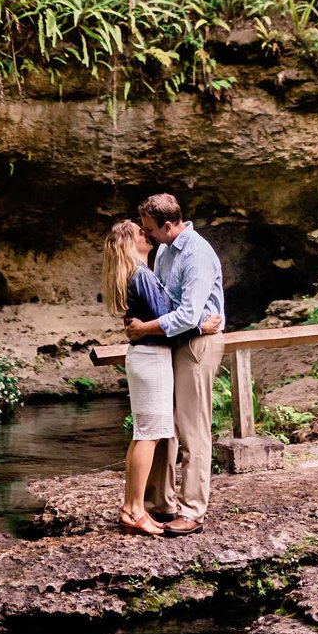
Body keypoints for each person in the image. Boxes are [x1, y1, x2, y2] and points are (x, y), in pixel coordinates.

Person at [126, 192, 227, 533]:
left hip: (198, 345)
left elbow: (187, 313)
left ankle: (193, 511)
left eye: (150, 229)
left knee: (192, 428)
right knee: (163, 424)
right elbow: (165, 302)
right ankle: (160, 503)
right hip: (173, 342)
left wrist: (145, 328)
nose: (147, 235)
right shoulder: (166, 250)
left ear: (168, 225)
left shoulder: (197, 254)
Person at [101, 219, 178, 537]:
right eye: (140, 232)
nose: (147, 233)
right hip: (152, 358)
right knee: (149, 435)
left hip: (142, 358)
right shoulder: (142, 275)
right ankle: (134, 510)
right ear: (130, 243)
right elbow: (166, 316)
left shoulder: (134, 274)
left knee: (143, 434)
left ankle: (132, 507)